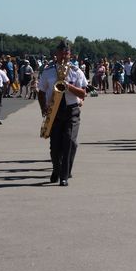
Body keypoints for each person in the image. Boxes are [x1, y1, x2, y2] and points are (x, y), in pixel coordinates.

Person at [38, 40, 88, 187]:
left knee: (70, 142)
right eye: (61, 53)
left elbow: (83, 93)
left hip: (71, 110)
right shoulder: (48, 71)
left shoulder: (76, 71)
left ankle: (64, 176)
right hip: (54, 111)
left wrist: (68, 86)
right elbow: (41, 92)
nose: (64, 56)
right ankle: (57, 169)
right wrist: (43, 108)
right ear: (56, 54)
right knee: (55, 147)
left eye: (66, 53)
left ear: (70, 54)